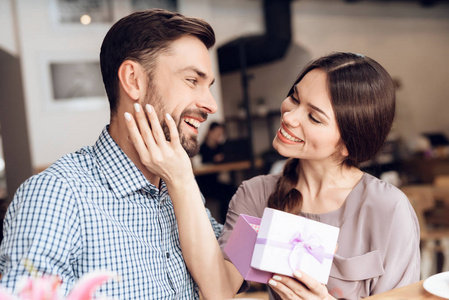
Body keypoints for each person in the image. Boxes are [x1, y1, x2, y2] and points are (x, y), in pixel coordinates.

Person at [125, 52, 420, 299]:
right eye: (294, 97)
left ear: (347, 143)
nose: (289, 116)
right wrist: (181, 179)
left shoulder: (388, 209)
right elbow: (219, 288)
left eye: (314, 117)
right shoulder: (255, 195)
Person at [0, 9, 222, 299]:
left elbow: (227, 272)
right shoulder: (56, 195)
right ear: (133, 80)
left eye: (209, 86)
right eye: (193, 80)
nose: (211, 105)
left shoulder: (178, 186)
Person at [196, 122, 237, 223]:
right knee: (225, 194)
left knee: (233, 189)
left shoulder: (220, 147)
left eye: (220, 134)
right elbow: (200, 164)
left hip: (214, 183)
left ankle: (231, 220)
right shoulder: (201, 148)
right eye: (217, 133)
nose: (218, 136)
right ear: (210, 132)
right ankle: (224, 222)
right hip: (203, 185)